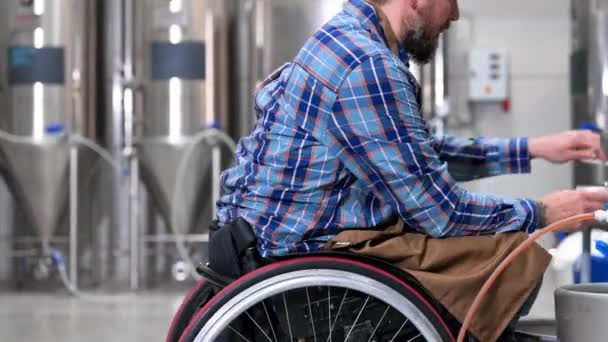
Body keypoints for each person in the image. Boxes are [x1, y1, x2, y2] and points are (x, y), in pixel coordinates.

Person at [215, 0, 608, 340]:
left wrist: (534, 149)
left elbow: (415, 156)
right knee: (511, 260)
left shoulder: (347, 39)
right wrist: (540, 214)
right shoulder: (367, 64)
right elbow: (441, 213)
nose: (454, 14)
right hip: (309, 264)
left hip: (275, 245)